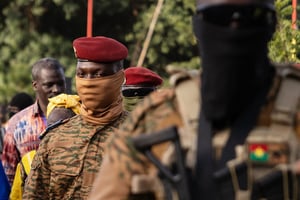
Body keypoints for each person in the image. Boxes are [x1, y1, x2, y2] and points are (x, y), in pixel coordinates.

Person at [88, 0, 300, 199]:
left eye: (252, 16)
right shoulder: (155, 118)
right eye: (219, 16)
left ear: (272, 24)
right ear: (198, 26)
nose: (235, 27)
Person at [23, 36, 129, 199]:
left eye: (97, 74)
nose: (88, 82)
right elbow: (34, 195)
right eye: (82, 74)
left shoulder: (142, 135)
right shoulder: (55, 139)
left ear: (119, 78)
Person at [2, 57, 66, 185]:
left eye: (60, 83)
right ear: (35, 85)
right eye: (49, 84)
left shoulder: (79, 116)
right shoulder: (17, 125)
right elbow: (9, 175)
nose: (56, 89)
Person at [10, 93, 81, 200]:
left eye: (65, 128)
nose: (56, 134)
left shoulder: (89, 158)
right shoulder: (29, 162)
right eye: (51, 128)